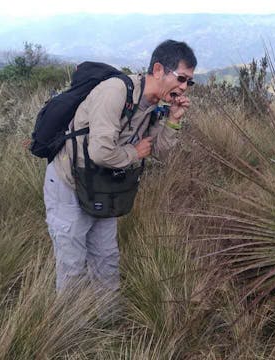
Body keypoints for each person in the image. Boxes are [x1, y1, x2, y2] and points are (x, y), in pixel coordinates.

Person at [43, 40, 197, 292]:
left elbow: (160, 152)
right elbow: (101, 151)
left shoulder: (154, 106)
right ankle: (73, 330)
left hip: (104, 186)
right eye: (181, 78)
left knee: (107, 261)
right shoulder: (115, 91)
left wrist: (173, 121)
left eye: (189, 82)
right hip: (69, 183)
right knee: (72, 266)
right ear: (158, 69)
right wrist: (134, 153)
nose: (184, 88)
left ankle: (108, 323)